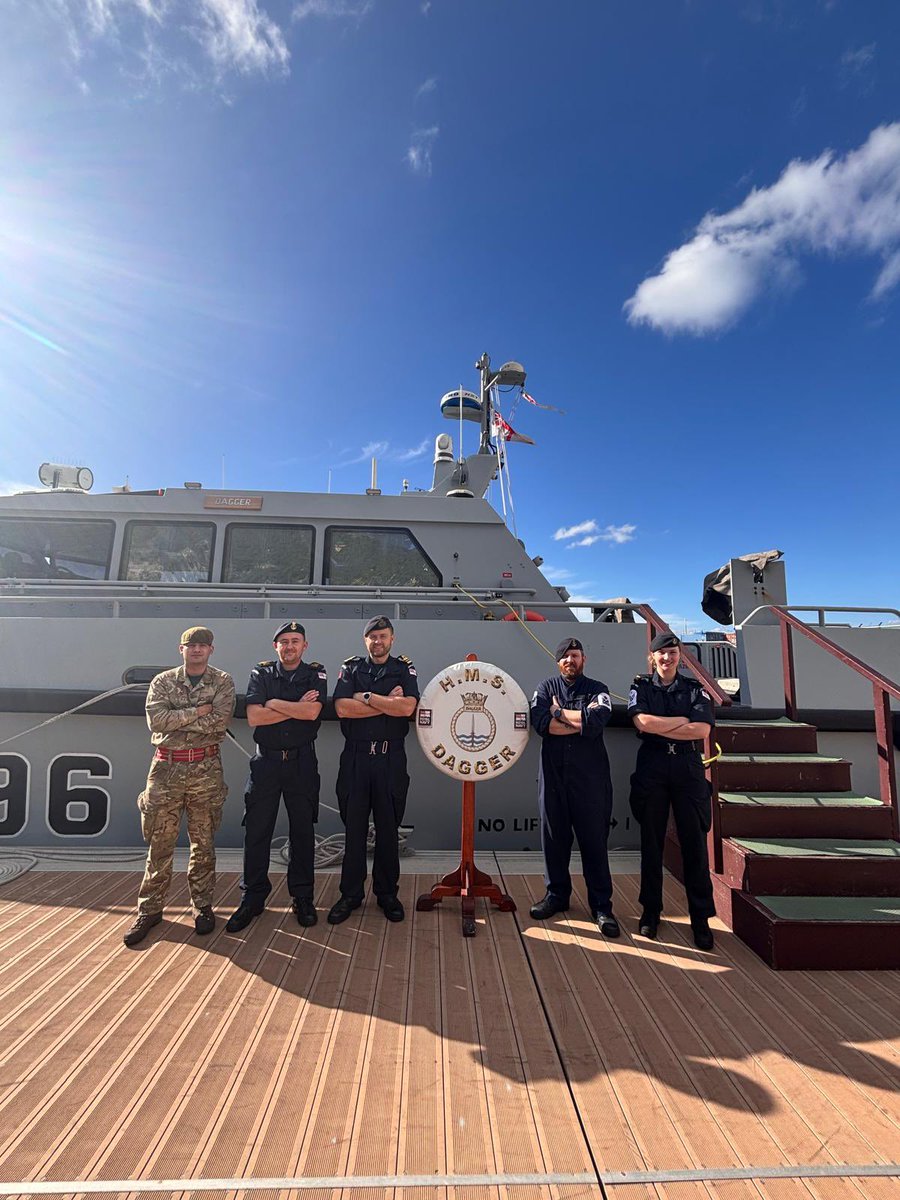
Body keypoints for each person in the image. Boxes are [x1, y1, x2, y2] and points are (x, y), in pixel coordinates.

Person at [123, 627, 235, 947]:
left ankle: (202, 906)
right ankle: (150, 910)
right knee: (160, 843)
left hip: (205, 769)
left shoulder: (222, 682)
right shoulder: (163, 681)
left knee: (203, 842)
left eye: (202, 645)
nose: (196, 650)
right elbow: (156, 721)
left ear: (211, 650)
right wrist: (198, 711)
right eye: (191, 645)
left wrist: (179, 717)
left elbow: (220, 721)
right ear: (181, 649)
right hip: (165, 769)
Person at [225, 621, 327, 933]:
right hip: (266, 763)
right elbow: (254, 716)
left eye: (295, 641)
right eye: (284, 641)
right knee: (257, 831)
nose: (290, 646)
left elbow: (312, 713)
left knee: (302, 833)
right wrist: (296, 706)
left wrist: (274, 703)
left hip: (301, 763)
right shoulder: (262, 673)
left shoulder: (316, 674)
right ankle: (252, 897)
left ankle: (303, 897)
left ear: (304, 646)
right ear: (276, 646)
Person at [627, 631, 716, 951]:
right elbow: (642, 723)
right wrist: (681, 721)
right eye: (661, 653)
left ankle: (700, 918)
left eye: (673, 653)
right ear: (652, 657)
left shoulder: (695, 689)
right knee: (651, 843)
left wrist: (661, 725)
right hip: (652, 766)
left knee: (695, 844)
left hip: (687, 768)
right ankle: (651, 911)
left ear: (680, 657)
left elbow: (701, 729)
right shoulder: (641, 687)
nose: (667, 658)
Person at [328, 616, 418, 924]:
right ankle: (350, 895)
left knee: (388, 831)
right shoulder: (351, 668)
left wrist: (365, 697)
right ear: (365, 640)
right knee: (354, 831)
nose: (377, 641)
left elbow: (407, 708)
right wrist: (386, 702)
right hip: (356, 760)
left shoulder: (403, 669)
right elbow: (342, 708)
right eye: (372, 637)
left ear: (392, 639)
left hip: (390, 760)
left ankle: (387, 894)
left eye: (383, 636)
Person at [529, 637, 619, 937]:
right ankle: (556, 895)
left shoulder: (598, 689)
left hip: (590, 779)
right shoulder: (545, 688)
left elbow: (596, 722)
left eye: (575, 655)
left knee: (594, 842)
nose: (570, 660)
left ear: (584, 659)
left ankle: (602, 906)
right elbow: (541, 724)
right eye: (565, 656)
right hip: (553, 776)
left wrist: (558, 713)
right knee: (553, 838)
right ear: (558, 661)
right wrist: (577, 721)